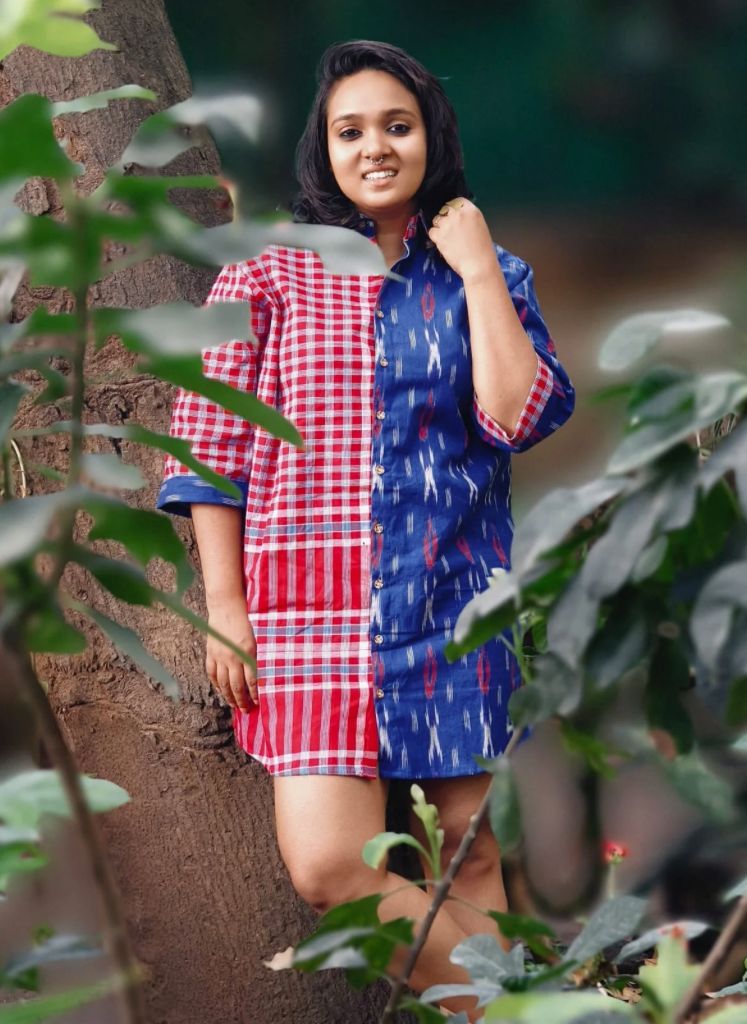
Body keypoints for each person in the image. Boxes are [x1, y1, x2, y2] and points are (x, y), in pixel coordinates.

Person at [157, 39, 574, 1021]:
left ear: (432, 135)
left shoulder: (488, 273)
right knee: (332, 870)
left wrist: (473, 267)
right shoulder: (271, 272)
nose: (376, 147)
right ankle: (564, 1007)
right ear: (323, 148)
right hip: (309, 623)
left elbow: (518, 416)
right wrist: (226, 606)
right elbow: (211, 440)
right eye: (352, 130)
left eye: (398, 124)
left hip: (452, 612)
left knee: (469, 872)